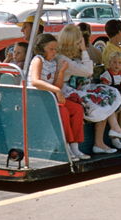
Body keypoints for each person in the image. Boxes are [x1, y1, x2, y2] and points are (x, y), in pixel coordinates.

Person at [56, 24, 121, 153]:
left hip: (73, 88)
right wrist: (84, 50)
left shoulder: (65, 57)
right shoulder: (63, 59)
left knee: (106, 93)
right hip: (66, 92)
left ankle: (111, 132)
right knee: (100, 101)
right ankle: (104, 139)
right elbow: (88, 71)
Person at [28, 33, 89, 161]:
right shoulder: (38, 60)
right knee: (63, 112)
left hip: (50, 98)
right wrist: (55, 90)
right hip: (37, 98)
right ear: (42, 48)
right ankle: (65, 146)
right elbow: (35, 81)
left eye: (56, 49)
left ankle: (75, 146)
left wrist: (61, 71)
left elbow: (57, 85)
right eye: (51, 49)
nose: (54, 52)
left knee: (77, 109)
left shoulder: (53, 62)